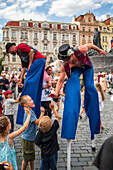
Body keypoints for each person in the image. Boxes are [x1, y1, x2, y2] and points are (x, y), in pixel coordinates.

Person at [49, 43, 107, 151]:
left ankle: (94, 119)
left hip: (87, 67)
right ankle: (69, 126)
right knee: (73, 81)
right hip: (76, 70)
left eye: (67, 59)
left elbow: (91, 45)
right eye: (64, 60)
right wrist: (56, 93)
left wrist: (99, 50)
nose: (66, 61)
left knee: (90, 87)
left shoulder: (81, 50)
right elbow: (60, 81)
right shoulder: (65, 66)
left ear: (71, 55)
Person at [6, 42, 45, 125]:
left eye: (9, 51)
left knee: (29, 82)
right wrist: (20, 79)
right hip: (39, 61)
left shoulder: (20, 46)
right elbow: (23, 68)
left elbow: (31, 51)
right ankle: (32, 111)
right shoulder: (20, 55)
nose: (10, 53)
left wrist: (30, 64)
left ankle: (28, 101)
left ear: (11, 48)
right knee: (30, 83)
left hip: (38, 60)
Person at [19, 95, 44, 170]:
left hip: (29, 138)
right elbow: (37, 122)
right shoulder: (30, 112)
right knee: (27, 158)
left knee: (31, 157)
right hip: (28, 139)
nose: (32, 101)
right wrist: (42, 113)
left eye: (31, 99)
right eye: (30, 100)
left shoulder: (29, 111)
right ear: (25, 105)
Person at [35, 103, 60, 170]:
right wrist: (53, 109)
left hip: (44, 154)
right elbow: (57, 117)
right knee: (54, 167)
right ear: (51, 125)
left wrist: (42, 148)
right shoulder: (53, 129)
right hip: (53, 153)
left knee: (43, 167)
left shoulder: (40, 132)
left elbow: (37, 142)